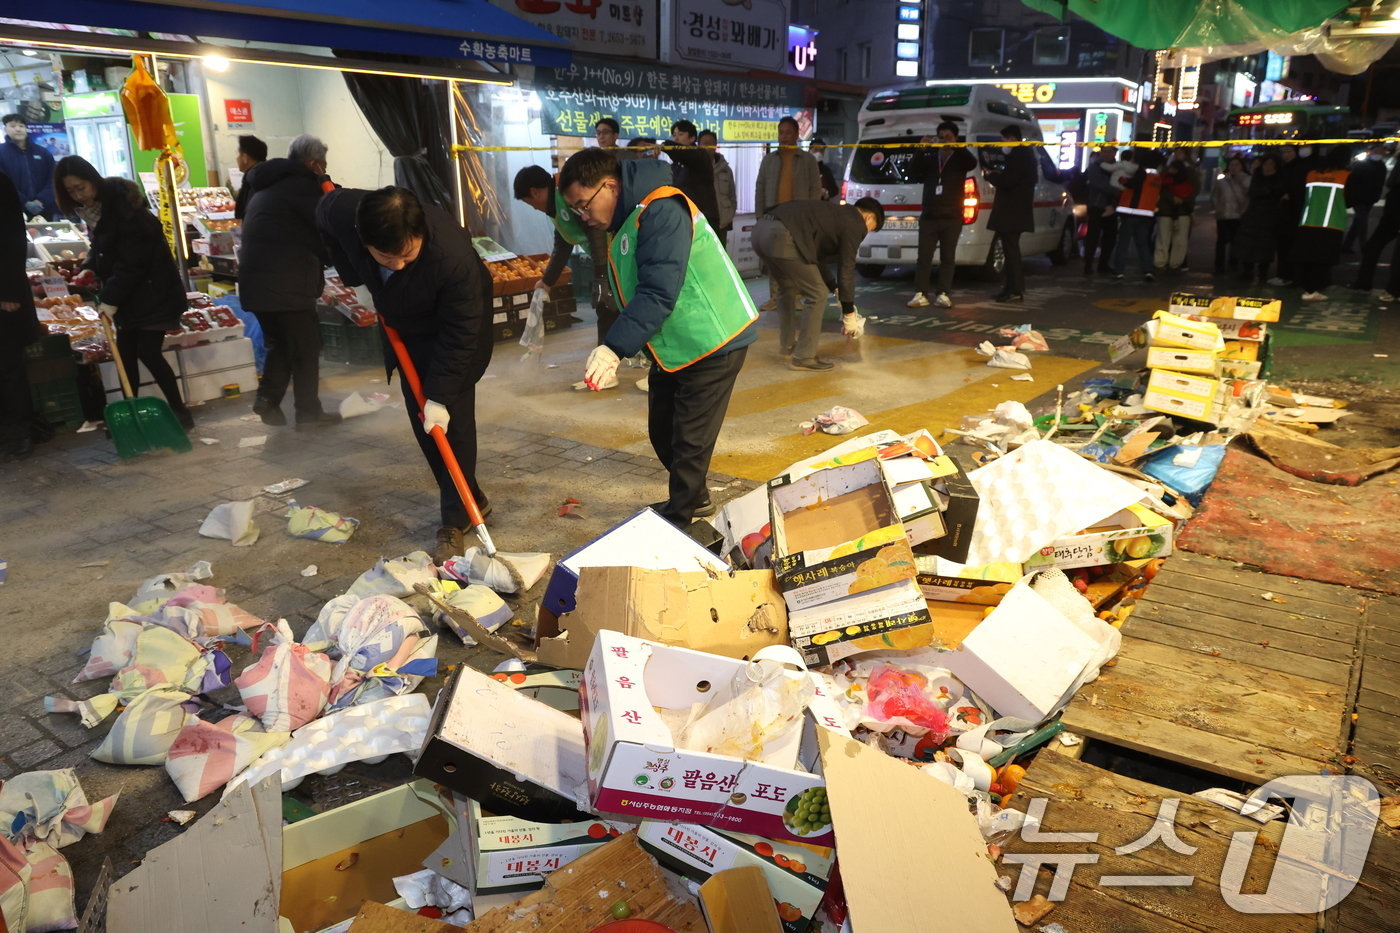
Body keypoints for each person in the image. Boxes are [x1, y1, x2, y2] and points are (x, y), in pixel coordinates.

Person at [558, 147, 757, 527]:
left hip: (714, 336)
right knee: (661, 428)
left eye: (584, 205)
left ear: (610, 186)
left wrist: (613, 348)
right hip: (677, 343)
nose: (584, 216)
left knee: (689, 440)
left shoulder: (662, 208)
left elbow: (658, 291)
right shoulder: (631, 216)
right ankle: (693, 498)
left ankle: (680, 522)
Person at [317, 186, 494, 562]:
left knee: (451, 425)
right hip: (405, 327)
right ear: (365, 238)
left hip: (453, 332)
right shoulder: (344, 212)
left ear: (421, 237)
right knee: (424, 425)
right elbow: (323, 217)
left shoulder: (452, 259)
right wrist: (356, 277)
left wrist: (441, 395)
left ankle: (453, 521)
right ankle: (468, 496)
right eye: (385, 257)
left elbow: (461, 334)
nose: (397, 265)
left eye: (407, 255)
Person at [55, 166, 193, 428]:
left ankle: (180, 412)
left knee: (148, 352)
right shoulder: (100, 215)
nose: (78, 195)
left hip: (155, 293)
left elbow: (132, 265)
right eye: (71, 191)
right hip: (130, 297)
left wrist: (110, 299)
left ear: (93, 181)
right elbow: (101, 249)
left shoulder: (130, 216)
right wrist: (88, 268)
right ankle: (131, 414)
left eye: (80, 187)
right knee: (125, 354)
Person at [239, 134, 340, 429]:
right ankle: (309, 414)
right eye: (322, 163)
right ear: (313, 163)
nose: (324, 168)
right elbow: (322, 229)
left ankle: (267, 400)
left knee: (281, 344)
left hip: (257, 284)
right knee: (307, 348)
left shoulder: (268, 185)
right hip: (287, 284)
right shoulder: (303, 188)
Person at [512, 164, 620, 386]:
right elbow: (563, 243)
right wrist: (547, 281)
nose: (532, 208)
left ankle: (606, 372)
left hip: (618, 255)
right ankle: (605, 370)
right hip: (609, 260)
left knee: (609, 307)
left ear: (534, 192)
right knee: (608, 308)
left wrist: (601, 277)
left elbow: (596, 231)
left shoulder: (567, 194)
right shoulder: (556, 205)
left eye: (528, 202)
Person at [753, 197, 885, 371]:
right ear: (869, 218)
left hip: (760, 231)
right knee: (817, 294)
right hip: (783, 236)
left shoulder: (834, 214)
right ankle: (803, 357)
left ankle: (787, 347)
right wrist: (849, 315)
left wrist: (834, 287)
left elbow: (817, 257)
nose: (865, 233)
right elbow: (846, 268)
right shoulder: (855, 223)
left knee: (788, 287)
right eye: (870, 229)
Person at [755, 116, 823, 311]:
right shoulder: (769, 160)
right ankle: (775, 298)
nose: (783, 137)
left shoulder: (807, 160)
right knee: (773, 259)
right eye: (781, 132)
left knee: (796, 259)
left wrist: (811, 216)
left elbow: (815, 188)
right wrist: (760, 215)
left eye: (788, 132)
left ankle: (796, 299)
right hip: (773, 215)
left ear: (796, 135)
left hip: (798, 217)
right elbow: (760, 187)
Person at [906, 121, 976, 309]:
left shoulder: (960, 158)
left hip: (952, 215)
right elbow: (912, 173)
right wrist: (921, 149)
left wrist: (955, 145)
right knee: (924, 257)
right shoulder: (930, 157)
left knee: (948, 257)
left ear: (955, 137)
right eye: (941, 136)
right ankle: (920, 293)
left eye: (948, 136)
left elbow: (972, 163)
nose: (943, 140)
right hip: (930, 214)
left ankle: (943, 293)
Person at [0, 171, 40, 460]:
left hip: (3, 294)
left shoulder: (1, 181)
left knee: (8, 365)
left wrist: (9, 290)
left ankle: (21, 431)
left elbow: (13, 236)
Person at [1292, 145, 1353, 302]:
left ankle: (1307, 287)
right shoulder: (1345, 175)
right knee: (1323, 259)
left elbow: (1300, 195)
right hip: (1331, 223)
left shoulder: (1312, 174)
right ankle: (1313, 289)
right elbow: (1350, 200)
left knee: (1308, 256)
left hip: (1308, 221)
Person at [983, 125, 1036, 302]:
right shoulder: (1025, 155)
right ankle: (1010, 288)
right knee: (1009, 251)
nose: (1003, 144)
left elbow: (1008, 181)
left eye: (1004, 140)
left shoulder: (1019, 156)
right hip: (1015, 212)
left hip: (1011, 213)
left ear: (1012, 138)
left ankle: (1014, 290)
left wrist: (991, 176)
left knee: (1011, 252)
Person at [1233, 153, 1285, 287]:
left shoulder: (1278, 180)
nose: (1268, 167)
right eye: (1266, 164)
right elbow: (1254, 192)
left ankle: (1262, 272)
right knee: (1248, 244)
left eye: (1271, 164)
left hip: (1269, 217)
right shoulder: (1258, 177)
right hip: (1253, 215)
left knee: (1265, 246)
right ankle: (1247, 270)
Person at [1352, 152, 1400, 298]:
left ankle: (1364, 283)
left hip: (1394, 204)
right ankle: (1393, 289)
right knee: (1388, 250)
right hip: (1394, 204)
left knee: (1375, 246)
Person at [664, 120, 722, 234]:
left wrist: (666, 146)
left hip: (703, 219)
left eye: (680, 135)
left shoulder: (699, 155)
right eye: (674, 135)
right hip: (685, 218)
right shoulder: (676, 165)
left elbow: (686, 155)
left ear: (692, 138)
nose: (676, 139)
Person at [1112, 149, 1161, 284]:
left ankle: (1119, 271)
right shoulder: (1156, 176)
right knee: (1142, 244)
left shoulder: (1141, 173)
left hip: (1131, 212)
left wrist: (1122, 180)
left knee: (1123, 243)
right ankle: (1148, 270)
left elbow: (1133, 185)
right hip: (1146, 214)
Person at [0, 113, 58, 219]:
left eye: (21, 126)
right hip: (11, 211)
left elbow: (53, 179)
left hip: (44, 210)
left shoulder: (43, 153)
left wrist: (41, 200)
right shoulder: (1, 153)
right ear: (5, 129)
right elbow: (3, 184)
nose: (18, 129)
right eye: (13, 126)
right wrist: (24, 202)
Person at [1271, 144, 1311, 285]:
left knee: (1288, 244)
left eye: (1288, 151)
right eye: (1283, 152)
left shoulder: (1298, 169)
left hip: (1292, 214)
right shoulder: (1286, 168)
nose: (1285, 155)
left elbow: (1294, 191)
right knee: (1283, 244)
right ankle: (1284, 274)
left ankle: (1288, 275)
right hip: (1285, 213)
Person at [1082, 147, 1126, 276]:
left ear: (1115, 153)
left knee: (1110, 237)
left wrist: (1113, 204)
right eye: (1105, 151)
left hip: (1112, 206)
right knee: (1092, 236)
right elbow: (1098, 183)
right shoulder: (1094, 166)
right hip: (1096, 205)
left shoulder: (1118, 168)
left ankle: (1103, 264)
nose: (1107, 154)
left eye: (1110, 152)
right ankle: (1088, 265)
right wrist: (1116, 191)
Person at [1154, 150, 1198, 273]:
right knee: (1165, 238)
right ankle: (1163, 263)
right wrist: (1175, 198)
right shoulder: (1165, 173)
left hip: (1181, 211)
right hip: (1169, 210)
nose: (1178, 155)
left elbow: (1195, 189)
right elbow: (1160, 189)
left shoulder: (1190, 172)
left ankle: (1174, 263)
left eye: (1181, 153)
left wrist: (1182, 199)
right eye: (1176, 153)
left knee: (1178, 239)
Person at [1210, 155, 1250, 276]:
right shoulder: (1222, 179)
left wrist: (1244, 210)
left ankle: (1234, 263)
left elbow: (1249, 196)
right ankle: (1219, 266)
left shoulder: (1247, 179)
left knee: (1236, 241)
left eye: (1237, 164)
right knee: (1221, 241)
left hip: (1239, 215)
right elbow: (1215, 195)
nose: (1234, 167)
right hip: (1223, 215)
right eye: (1232, 164)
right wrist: (1217, 208)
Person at [1343, 144, 1386, 254]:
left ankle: (1346, 246)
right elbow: (1352, 183)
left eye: (1380, 152)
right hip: (1359, 199)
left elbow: (1379, 184)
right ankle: (1364, 246)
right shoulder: (1361, 166)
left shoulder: (1381, 167)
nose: (1378, 154)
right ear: (1370, 152)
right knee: (1362, 222)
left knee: (1357, 223)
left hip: (1370, 199)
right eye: (1376, 152)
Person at [698, 129, 736, 248]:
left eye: (711, 143)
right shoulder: (693, 168)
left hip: (721, 224)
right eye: (704, 143)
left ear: (715, 145)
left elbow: (732, 197)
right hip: (700, 224)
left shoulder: (726, 169)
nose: (708, 146)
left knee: (720, 257)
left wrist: (728, 217)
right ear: (698, 145)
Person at [233, 134, 267, 219]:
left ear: (245, 158)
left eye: (237, 154)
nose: (236, 158)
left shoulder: (255, 181)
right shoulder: (264, 175)